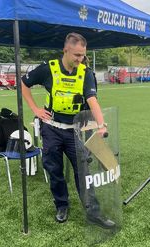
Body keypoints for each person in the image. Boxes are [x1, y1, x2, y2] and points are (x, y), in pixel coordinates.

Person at [21, 32, 115, 228]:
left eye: (83, 55)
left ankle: (93, 212)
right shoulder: (49, 68)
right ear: (66, 50)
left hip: (75, 132)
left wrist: (101, 124)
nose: (81, 59)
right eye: (77, 55)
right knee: (54, 170)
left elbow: (92, 100)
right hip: (51, 129)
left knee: (83, 172)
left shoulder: (86, 73)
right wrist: (35, 109)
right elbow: (23, 83)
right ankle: (61, 205)